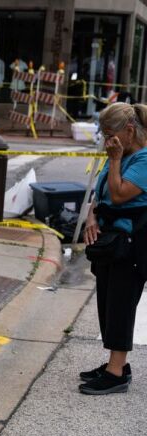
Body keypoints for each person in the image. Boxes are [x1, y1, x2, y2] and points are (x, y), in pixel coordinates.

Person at [80, 102, 147, 395]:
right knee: (108, 301)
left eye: (111, 133)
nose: (107, 140)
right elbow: (101, 190)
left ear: (129, 131)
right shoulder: (118, 153)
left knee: (120, 302)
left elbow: (119, 195)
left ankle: (116, 372)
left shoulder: (143, 160)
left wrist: (116, 159)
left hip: (133, 243)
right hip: (111, 240)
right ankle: (115, 363)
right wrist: (91, 217)